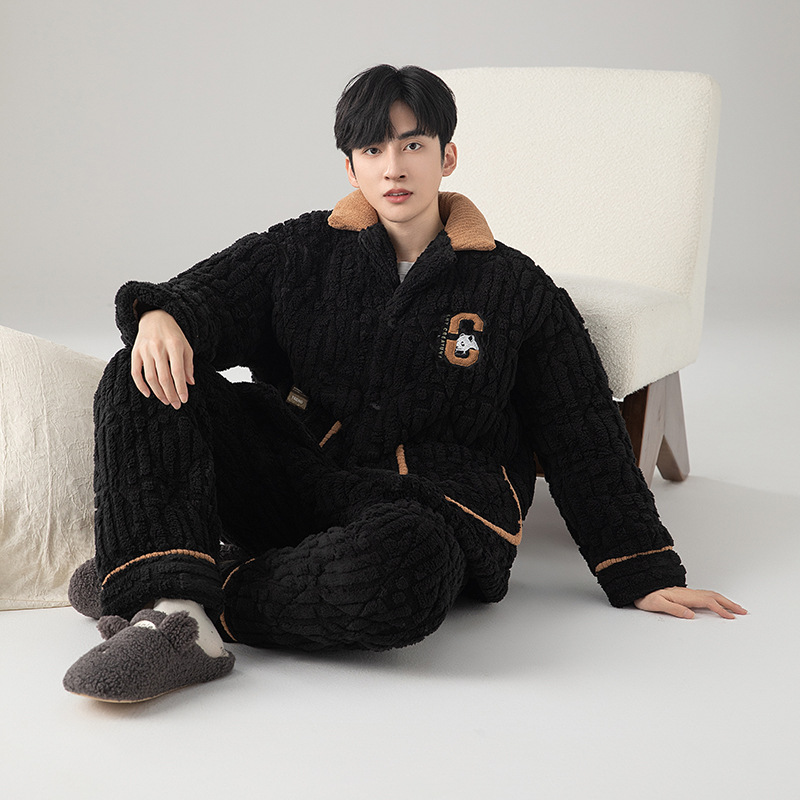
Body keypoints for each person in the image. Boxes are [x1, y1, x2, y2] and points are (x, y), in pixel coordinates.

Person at [63, 64, 746, 703]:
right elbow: (204, 298)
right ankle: (172, 603)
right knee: (141, 368)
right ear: (351, 166)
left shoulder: (514, 287)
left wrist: (640, 568)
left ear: (447, 157)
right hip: (299, 474)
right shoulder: (301, 249)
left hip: (424, 512)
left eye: (413, 145)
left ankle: (183, 590)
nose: (394, 167)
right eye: (373, 149)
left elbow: (580, 427)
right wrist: (160, 314)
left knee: (402, 572)